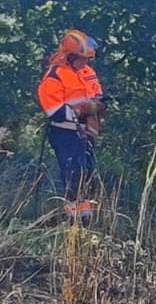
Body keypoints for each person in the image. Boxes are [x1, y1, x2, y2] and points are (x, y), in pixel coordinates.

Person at [36, 28, 107, 219]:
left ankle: (86, 219)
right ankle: (73, 220)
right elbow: (55, 112)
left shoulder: (87, 72)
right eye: (82, 58)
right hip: (65, 133)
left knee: (88, 174)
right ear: (70, 56)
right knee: (73, 175)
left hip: (86, 132)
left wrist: (98, 106)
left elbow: (99, 97)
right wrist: (83, 110)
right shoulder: (55, 76)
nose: (86, 62)